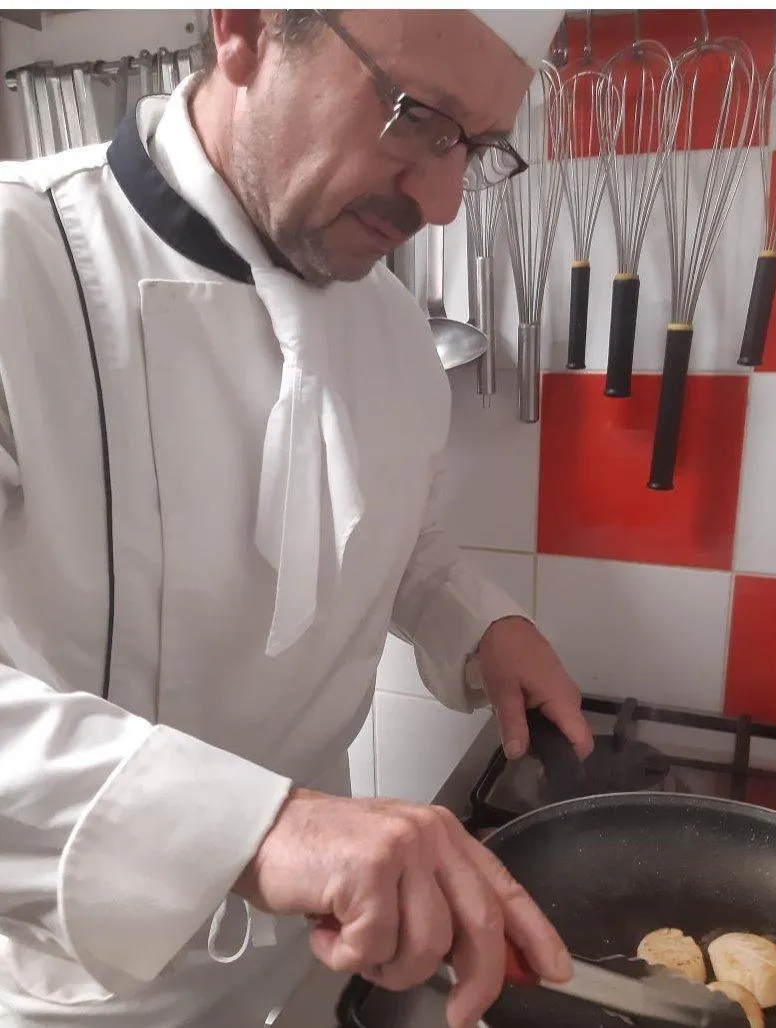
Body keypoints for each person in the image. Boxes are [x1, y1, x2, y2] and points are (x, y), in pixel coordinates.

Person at [0, 10, 593, 1028]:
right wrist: (256, 828)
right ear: (243, 30)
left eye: (475, 147)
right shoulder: (24, 264)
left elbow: (385, 532)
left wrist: (477, 622)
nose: (442, 202)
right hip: (96, 977)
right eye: (417, 116)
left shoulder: (390, 321)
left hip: (328, 944)